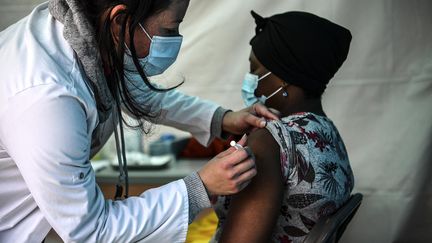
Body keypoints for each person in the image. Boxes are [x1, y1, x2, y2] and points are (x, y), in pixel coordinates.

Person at [0, 0, 280, 242]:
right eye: (170, 29)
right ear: (120, 20)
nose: (175, 39)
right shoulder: (46, 97)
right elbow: (91, 231)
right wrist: (200, 187)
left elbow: (138, 93)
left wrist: (223, 119)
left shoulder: (87, 34)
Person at [211, 11, 355, 243]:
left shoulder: (270, 139)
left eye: (255, 69)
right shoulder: (328, 134)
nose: (250, 78)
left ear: (283, 77)